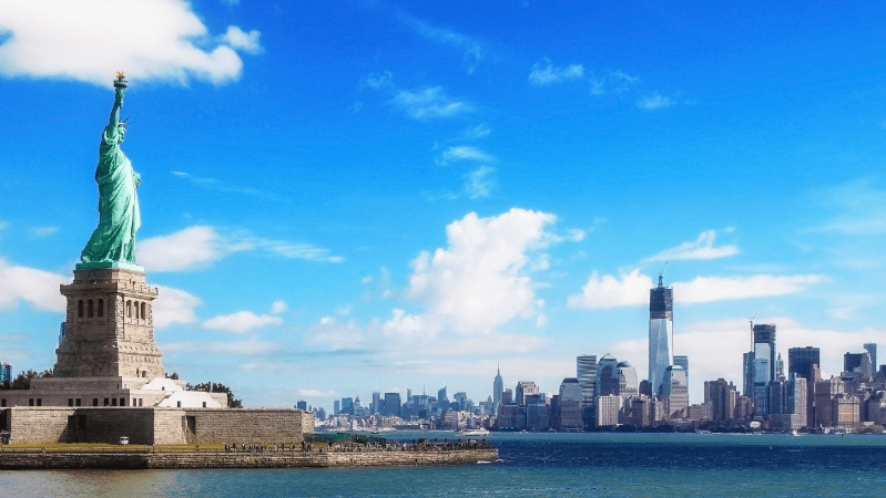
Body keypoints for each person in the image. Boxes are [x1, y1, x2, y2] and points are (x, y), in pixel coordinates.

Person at [79, 74, 141, 267]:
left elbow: (133, 178)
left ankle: (120, 257)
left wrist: (135, 177)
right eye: (119, 131)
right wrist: (118, 100)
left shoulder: (124, 159)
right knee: (111, 223)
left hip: (127, 198)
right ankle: (90, 254)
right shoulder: (109, 150)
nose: (121, 134)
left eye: (123, 132)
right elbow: (113, 124)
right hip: (114, 196)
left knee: (125, 227)